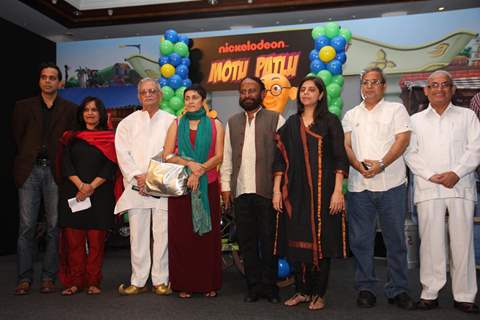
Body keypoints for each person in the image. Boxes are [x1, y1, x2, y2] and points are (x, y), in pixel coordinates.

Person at [405, 70, 480, 314]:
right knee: (430, 243)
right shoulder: (415, 121)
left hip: (460, 185)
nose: (439, 89)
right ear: (425, 90)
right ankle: (430, 293)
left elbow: (476, 148)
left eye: (444, 85)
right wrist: (430, 175)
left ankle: (465, 296)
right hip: (429, 187)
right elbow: (410, 153)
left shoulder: (467, 116)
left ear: (452, 90)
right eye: (434, 85)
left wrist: (456, 173)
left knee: (462, 242)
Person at [272, 76, 349, 310]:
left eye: (311, 90)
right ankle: (302, 291)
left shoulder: (330, 122)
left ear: (321, 94)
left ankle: (318, 293)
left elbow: (339, 157)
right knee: (296, 242)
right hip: (294, 193)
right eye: (303, 90)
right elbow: (279, 159)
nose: (306, 93)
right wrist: (276, 190)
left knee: (321, 240)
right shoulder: (291, 124)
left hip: (323, 191)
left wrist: (338, 191)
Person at [342, 67, 415, 310]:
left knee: (395, 241)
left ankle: (398, 289)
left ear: (383, 86)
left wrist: (381, 164)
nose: (369, 86)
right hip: (359, 186)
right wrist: (359, 166)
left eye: (374, 82)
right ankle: (366, 288)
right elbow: (347, 146)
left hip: (392, 185)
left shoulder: (396, 109)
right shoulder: (352, 114)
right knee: (361, 241)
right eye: (365, 82)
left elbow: (402, 140)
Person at [12, 62, 77, 295]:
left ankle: (49, 277)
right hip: (29, 171)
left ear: (59, 82)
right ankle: (24, 278)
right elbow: (18, 137)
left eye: (52, 77)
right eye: (44, 77)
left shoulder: (70, 109)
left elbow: (71, 142)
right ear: (39, 81)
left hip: (55, 172)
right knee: (26, 227)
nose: (48, 81)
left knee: (53, 226)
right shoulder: (22, 106)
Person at [220, 76, 285, 304]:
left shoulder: (276, 119)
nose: (247, 95)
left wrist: (279, 190)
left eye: (252, 91)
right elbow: (227, 158)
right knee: (246, 243)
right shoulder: (232, 122)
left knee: (269, 242)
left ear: (262, 93)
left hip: (266, 193)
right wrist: (225, 188)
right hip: (241, 193)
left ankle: (270, 287)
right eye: (243, 91)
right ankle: (253, 287)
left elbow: (283, 158)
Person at [114, 78, 175, 295]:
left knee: (162, 233)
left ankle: (161, 280)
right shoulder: (127, 123)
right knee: (137, 234)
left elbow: (172, 153)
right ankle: (138, 280)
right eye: (143, 92)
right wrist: (137, 176)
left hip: (161, 183)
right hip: (135, 185)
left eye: (152, 91)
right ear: (139, 96)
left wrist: (152, 176)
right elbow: (122, 153)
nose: (148, 95)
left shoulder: (171, 121)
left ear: (160, 95)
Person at [163, 84, 224, 298]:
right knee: (183, 237)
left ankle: (208, 283)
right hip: (182, 188)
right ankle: (184, 283)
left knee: (206, 237)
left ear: (203, 101)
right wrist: (189, 164)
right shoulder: (176, 123)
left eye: (195, 97)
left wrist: (200, 171)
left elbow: (218, 157)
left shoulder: (216, 125)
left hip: (209, 184)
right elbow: (167, 155)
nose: (190, 101)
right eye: (187, 98)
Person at [57, 96, 118, 295]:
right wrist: (81, 186)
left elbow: (110, 166)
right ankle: (75, 282)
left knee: (96, 243)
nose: (90, 113)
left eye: (94, 110)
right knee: (73, 243)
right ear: (81, 113)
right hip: (73, 193)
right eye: (86, 109)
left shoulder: (110, 137)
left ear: (101, 113)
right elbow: (66, 164)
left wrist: (91, 186)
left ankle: (93, 281)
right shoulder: (70, 137)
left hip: (99, 195)